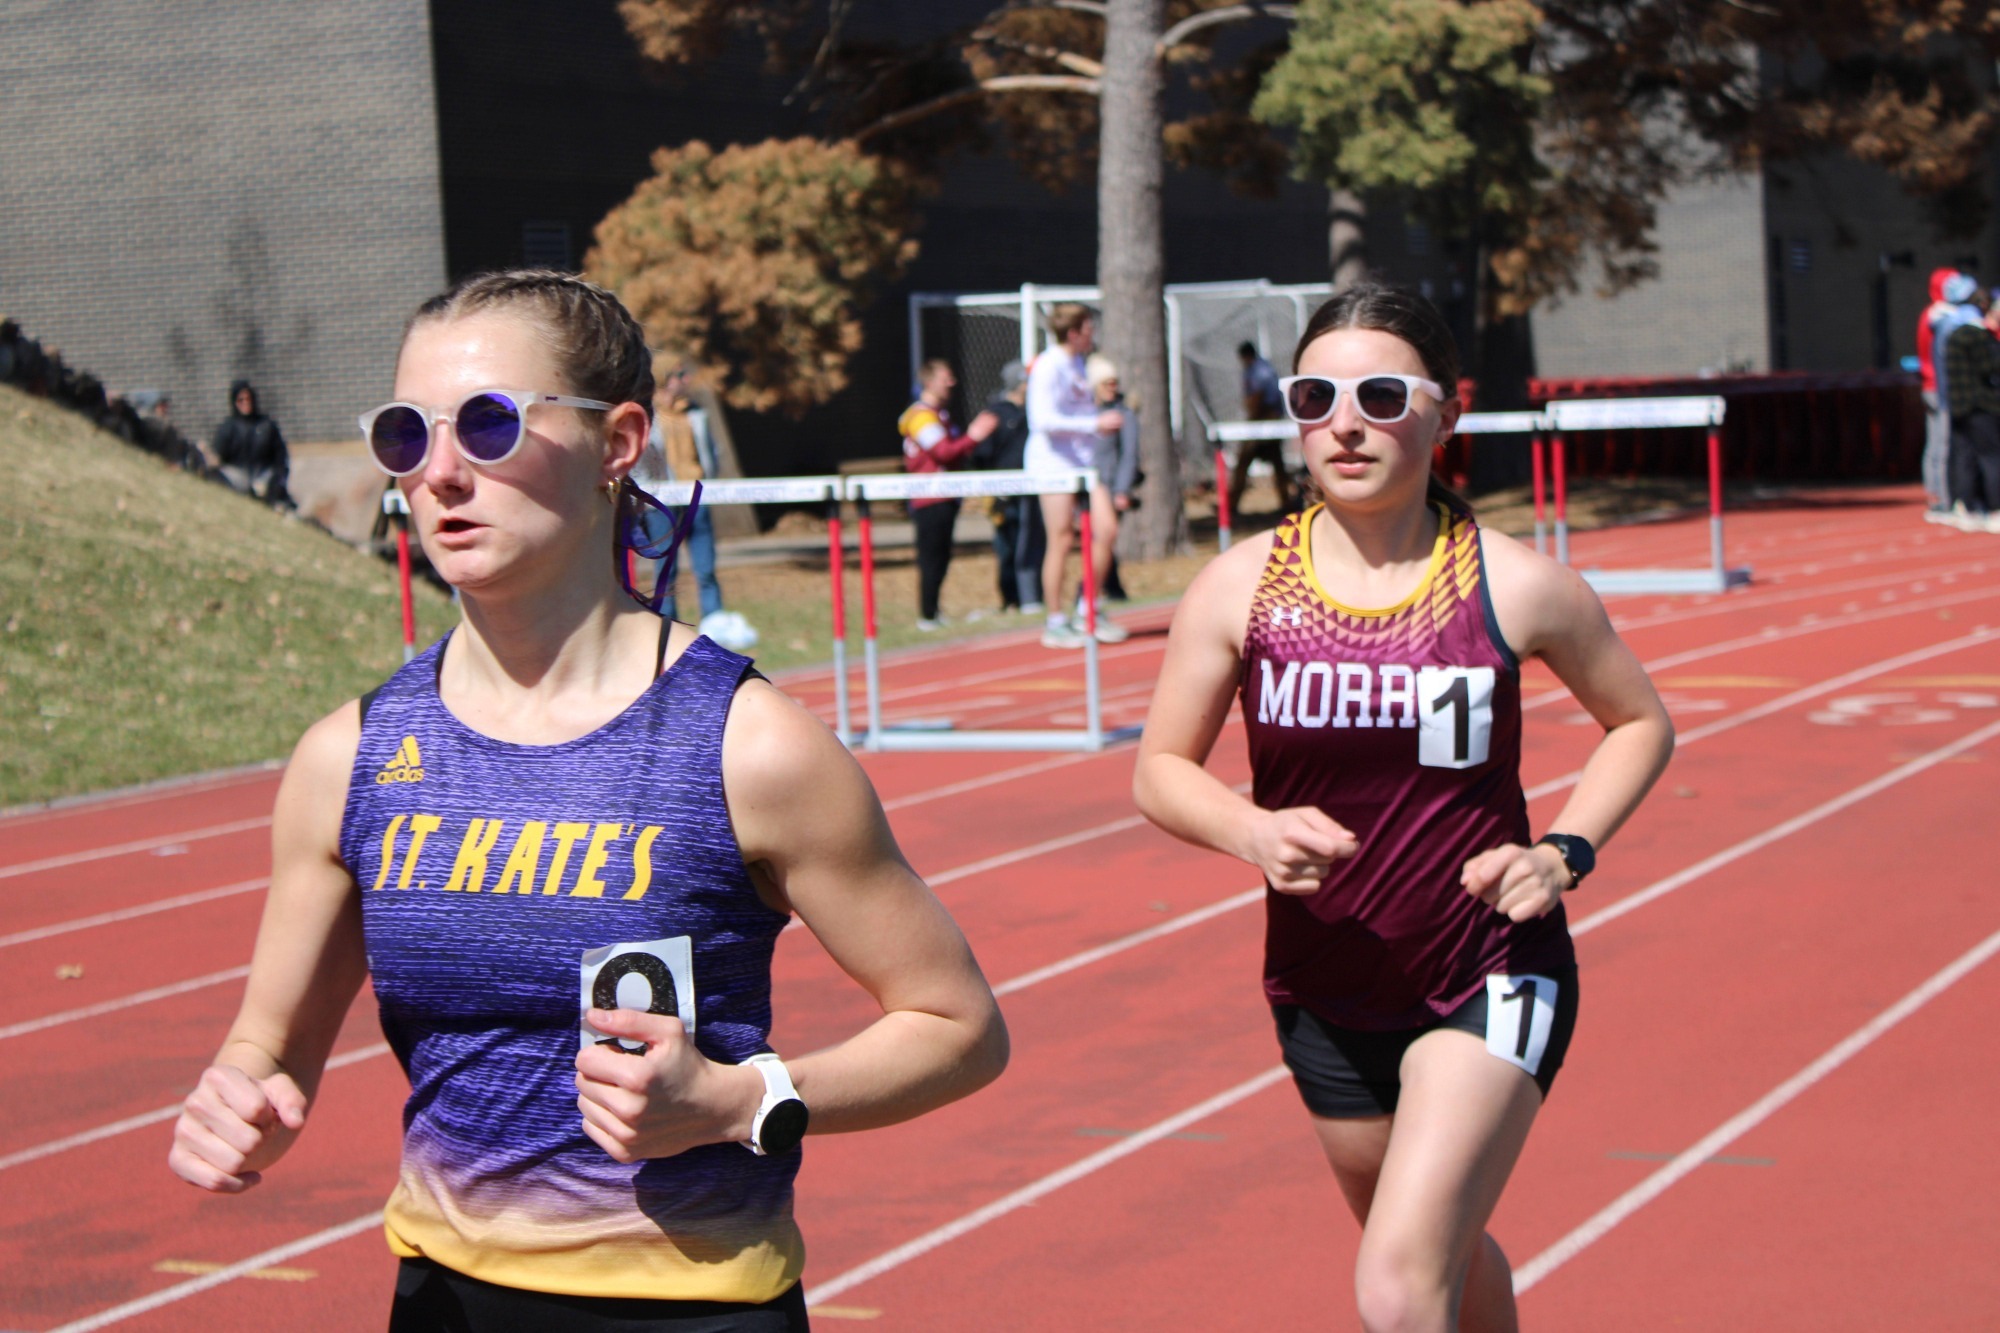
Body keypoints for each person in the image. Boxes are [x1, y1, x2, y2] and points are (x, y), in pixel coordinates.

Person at [168, 269, 1009, 1332]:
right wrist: (241, 1101)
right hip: (440, 1303)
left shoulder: (748, 748)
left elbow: (958, 1026)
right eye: (405, 434)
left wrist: (743, 1098)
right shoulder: (350, 758)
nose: (440, 472)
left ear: (618, 441)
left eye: (488, 423)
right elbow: (267, 1047)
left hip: (694, 1309)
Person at [1133, 283, 1673, 1333]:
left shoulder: (1517, 586)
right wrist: (1250, 829)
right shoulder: (1238, 588)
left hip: (1488, 968)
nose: (1344, 424)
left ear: (1444, 414)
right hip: (1322, 985)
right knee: (1439, 1259)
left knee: (1394, 1282)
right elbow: (1159, 767)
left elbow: (1639, 723)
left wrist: (1561, 851)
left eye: (1380, 396)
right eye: (1314, 397)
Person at [634, 364, 759, 652]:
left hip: (696, 494)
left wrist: (709, 479)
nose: (686, 380)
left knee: (705, 566)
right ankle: (668, 627)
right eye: (680, 375)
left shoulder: (696, 413)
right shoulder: (649, 416)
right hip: (663, 500)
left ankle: (714, 625)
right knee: (666, 568)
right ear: (666, 380)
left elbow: (711, 451)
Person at [1024, 304, 1128, 648]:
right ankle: (1055, 620)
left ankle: (1088, 607)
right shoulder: (1048, 365)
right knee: (1062, 538)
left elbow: (1080, 411)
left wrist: (1099, 426)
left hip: (1083, 464)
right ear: (1072, 333)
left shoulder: (1079, 364)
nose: (1092, 334)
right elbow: (1042, 420)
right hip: (1053, 464)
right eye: (1087, 329)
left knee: (1107, 529)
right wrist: (1094, 423)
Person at [899, 359, 990, 630]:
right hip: (930, 497)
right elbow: (943, 451)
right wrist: (974, 436)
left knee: (942, 555)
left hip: (946, 495)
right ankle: (927, 615)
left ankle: (934, 611)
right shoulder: (921, 416)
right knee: (931, 557)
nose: (952, 383)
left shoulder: (941, 414)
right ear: (929, 382)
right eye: (945, 378)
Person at [972, 360, 1044, 613]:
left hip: (1032, 489)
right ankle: (1011, 599)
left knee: (1034, 544)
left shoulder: (1034, 411)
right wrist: (991, 487)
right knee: (1007, 545)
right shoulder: (997, 413)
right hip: (1003, 493)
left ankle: (1033, 596)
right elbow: (981, 454)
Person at [1941, 283, 2000, 531]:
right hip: (1981, 405)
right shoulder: (1978, 336)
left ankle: (1967, 507)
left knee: (1965, 457)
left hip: (1958, 405)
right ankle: (1995, 509)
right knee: (1992, 457)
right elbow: (1988, 367)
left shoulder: (1951, 332)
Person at [1086, 354, 1141, 603]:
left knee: (1105, 536)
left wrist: (1122, 489)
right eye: (1106, 383)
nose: (1112, 388)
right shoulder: (1086, 414)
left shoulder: (1123, 414)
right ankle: (1099, 589)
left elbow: (1129, 454)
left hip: (1108, 484)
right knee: (1095, 539)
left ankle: (1095, 591)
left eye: (1114, 383)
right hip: (1085, 485)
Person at [1230, 340, 1298, 521]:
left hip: (1264, 419)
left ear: (1245, 356)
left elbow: (1257, 397)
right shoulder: (1263, 367)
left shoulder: (1258, 370)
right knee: (1277, 463)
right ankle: (1286, 503)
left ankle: (1231, 505)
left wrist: (1252, 418)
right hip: (1268, 418)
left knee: (1244, 461)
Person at [209, 379, 294, 508]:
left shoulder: (266, 425)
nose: (245, 403)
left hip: (263, 478)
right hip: (238, 478)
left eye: (248, 399)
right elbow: (218, 457)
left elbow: (281, 458)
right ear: (234, 402)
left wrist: (276, 478)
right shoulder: (228, 428)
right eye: (241, 400)